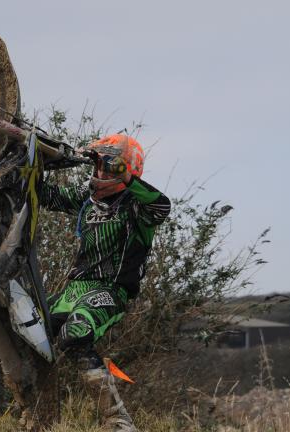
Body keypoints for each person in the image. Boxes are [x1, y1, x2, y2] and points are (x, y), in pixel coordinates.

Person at [39, 134, 171, 432]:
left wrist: (125, 177)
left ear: (128, 169)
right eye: (99, 165)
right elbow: (47, 195)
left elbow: (162, 205)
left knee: (75, 334)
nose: (101, 173)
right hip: (72, 291)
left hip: (110, 290)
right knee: (27, 331)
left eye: (108, 167)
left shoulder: (138, 207)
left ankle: (118, 420)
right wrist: (33, 163)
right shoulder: (86, 198)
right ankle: (35, 414)